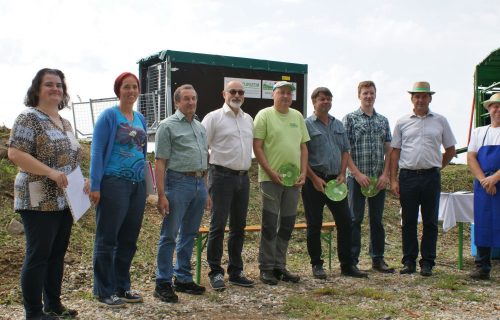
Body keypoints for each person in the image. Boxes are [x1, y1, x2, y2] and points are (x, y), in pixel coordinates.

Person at [8, 68, 86, 319]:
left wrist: (83, 180)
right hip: (37, 198)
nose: (55, 89)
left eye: (59, 85)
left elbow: (71, 158)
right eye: (49, 84)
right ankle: (33, 312)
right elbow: (16, 154)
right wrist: (50, 172)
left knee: (57, 255)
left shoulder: (65, 123)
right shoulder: (28, 118)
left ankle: (53, 304)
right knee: (38, 255)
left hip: (65, 200)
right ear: (37, 89)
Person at [90, 72, 147, 307]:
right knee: (107, 238)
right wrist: (95, 185)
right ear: (118, 90)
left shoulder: (140, 118)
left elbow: (142, 153)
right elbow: (96, 150)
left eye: (134, 87)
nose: (131, 91)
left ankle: (122, 286)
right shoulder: (108, 116)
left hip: (137, 185)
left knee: (129, 239)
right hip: (113, 183)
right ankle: (104, 290)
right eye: (126, 87)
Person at [390, 81, 456, 277]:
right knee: (408, 221)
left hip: (430, 177)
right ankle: (409, 261)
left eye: (424, 96)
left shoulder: (441, 121)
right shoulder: (402, 122)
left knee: (430, 222)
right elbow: (395, 152)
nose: (420, 99)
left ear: (430, 98)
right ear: (412, 98)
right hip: (408, 177)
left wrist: (438, 165)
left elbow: (450, 149)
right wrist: (393, 180)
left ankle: (427, 262)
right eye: (417, 96)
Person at [302, 87, 368, 280]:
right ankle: (317, 265)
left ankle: (347, 265)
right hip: (314, 181)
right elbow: (302, 154)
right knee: (314, 224)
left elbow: (345, 150)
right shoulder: (306, 125)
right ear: (314, 102)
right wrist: (314, 178)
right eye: (322, 99)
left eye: (329, 99)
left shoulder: (338, 124)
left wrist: (341, 173)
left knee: (346, 221)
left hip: (336, 181)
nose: (326, 102)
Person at [154, 84, 209, 303]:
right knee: (169, 235)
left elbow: (204, 159)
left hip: (198, 184)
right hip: (177, 183)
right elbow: (160, 163)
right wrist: (161, 195)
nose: (191, 102)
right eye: (186, 99)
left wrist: (206, 189)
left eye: (194, 98)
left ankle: (183, 277)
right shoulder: (167, 126)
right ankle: (163, 282)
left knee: (189, 234)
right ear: (177, 102)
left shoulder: (199, 126)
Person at [253, 81, 309, 285]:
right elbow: (257, 147)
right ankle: (266, 268)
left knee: (287, 224)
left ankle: (280, 266)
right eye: (281, 93)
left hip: (293, 182)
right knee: (269, 224)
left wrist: (303, 172)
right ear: (273, 95)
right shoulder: (264, 115)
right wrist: (270, 171)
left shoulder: (297, 116)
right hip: (270, 180)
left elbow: (303, 147)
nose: (285, 96)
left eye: (289, 93)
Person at [201, 80, 255, 291]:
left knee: (239, 227)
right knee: (218, 225)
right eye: (233, 91)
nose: (237, 95)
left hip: (243, 177)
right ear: (224, 94)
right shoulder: (213, 118)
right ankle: (215, 272)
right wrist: (204, 182)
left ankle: (235, 271)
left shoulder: (248, 119)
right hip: (221, 176)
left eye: (241, 92)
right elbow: (202, 149)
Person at [343, 81, 394, 273]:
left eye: (371, 93)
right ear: (359, 95)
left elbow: (388, 151)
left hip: (377, 179)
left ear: (375, 95)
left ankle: (377, 259)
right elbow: (345, 150)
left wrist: (385, 175)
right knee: (355, 219)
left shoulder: (383, 121)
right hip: (356, 178)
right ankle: (353, 260)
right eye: (365, 93)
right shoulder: (350, 119)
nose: (368, 96)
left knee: (377, 220)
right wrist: (356, 174)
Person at [467, 92, 500, 280]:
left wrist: (495, 178)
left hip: (497, 182)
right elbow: (471, 157)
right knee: (483, 223)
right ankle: (482, 266)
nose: (498, 109)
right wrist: (484, 180)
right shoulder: (479, 132)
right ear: (488, 109)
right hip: (483, 186)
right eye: (494, 106)